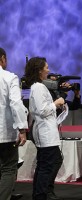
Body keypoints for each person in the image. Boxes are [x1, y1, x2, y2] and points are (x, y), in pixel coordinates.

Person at [24, 57, 65, 200]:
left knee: (44, 165)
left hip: (45, 130)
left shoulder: (37, 87)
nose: (48, 70)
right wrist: (56, 103)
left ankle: (41, 193)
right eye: (46, 67)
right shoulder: (39, 87)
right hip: (45, 133)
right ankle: (43, 193)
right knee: (49, 164)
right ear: (39, 70)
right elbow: (42, 110)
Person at [0, 47, 28, 200]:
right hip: (4, 135)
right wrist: (22, 128)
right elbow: (16, 104)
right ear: (3, 59)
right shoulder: (9, 77)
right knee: (9, 169)